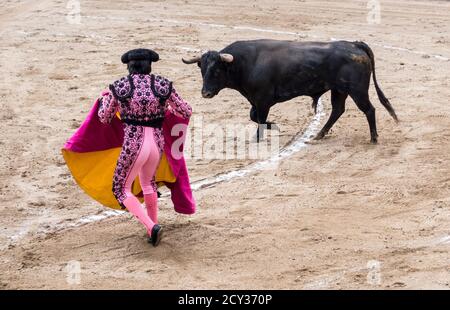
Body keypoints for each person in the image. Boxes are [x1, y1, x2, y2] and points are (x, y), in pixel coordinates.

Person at [98, 49, 192, 246]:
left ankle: (151, 227)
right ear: (150, 66)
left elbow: (105, 117)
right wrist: (166, 108)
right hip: (156, 144)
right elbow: (185, 110)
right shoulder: (163, 85)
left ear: (129, 67)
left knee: (120, 188)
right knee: (148, 183)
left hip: (134, 144)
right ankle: (153, 230)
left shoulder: (120, 87)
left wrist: (105, 98)